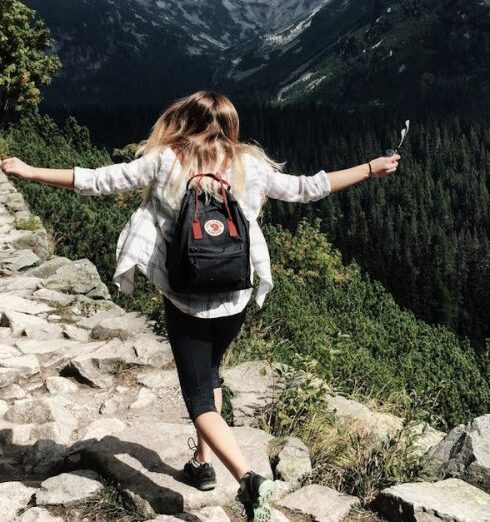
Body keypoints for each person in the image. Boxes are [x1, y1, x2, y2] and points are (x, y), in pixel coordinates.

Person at [0, 90, 401, 521]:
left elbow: (97, 181)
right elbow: (309, 189)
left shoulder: (164, 161)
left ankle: (248, 481)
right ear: (231, 125)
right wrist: (370, 168)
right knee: (211, 373)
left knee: (199, 400)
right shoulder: (250, 165)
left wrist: (30, 171)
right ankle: (202, 464)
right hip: (236, 295)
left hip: (186, 298)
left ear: (184, 121)